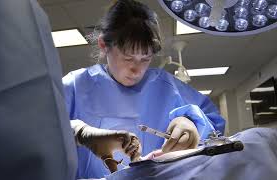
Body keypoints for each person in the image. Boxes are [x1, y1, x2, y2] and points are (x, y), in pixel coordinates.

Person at [62, 0, 225, 178]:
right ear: (103, 45)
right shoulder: (76, 86)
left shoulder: (167, 87)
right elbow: (38, 134)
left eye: (145, 58)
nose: (137, 70)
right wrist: (79, 132)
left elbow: (213, 124)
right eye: (128, 58)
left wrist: (191, 123)